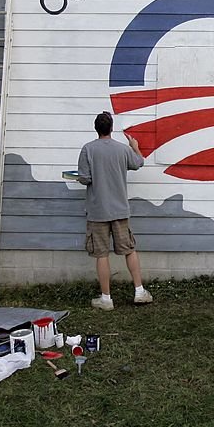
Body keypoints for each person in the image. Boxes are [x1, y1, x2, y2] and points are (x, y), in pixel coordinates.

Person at [76, 111, 153, 310]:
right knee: (129, 250)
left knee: (102, 254)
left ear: (96, 128)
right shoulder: (122, 150)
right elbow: (139, 163)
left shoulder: (88, 149)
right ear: (111, 128)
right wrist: (135, 147)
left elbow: (84, 178)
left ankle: (106, 298)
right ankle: (139, 291)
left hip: (98, 211)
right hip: (120, 210)